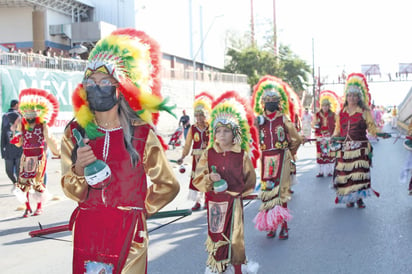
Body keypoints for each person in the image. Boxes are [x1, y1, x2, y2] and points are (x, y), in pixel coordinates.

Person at [60, 28, 180, 274]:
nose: (97, 87)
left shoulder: (142, 133)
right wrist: (79, 169)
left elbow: (168, 184)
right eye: (91, 82)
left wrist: (140, 210)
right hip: (89, 230)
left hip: (129, 231)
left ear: (122, 86)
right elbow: (71, 189)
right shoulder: (74, 132)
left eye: (105, 82)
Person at [193, 91, 259, 274]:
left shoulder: (241, 155)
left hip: (234, 203)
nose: (222, 135)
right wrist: (208, 179)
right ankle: (219, 267)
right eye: (218, 130)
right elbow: (198, 179)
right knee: (217, 236)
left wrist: (239, 192)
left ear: (235, 133)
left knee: (235, 237)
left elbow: (250, 178)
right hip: (214, 202)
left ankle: (237, 268)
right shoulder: (208, 154)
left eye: (227, 130)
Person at [251, 75, 302, 239]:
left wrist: (289, 151)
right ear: (263, 103)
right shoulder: (259, 121)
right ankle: (271, 225)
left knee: (281, 193)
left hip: (282, 159)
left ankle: (284, 226)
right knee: (267, 192)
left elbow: (297, 138)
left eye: (273, 101)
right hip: (266, 161)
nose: (270, 103)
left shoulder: (283, 119)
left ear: (279, 103)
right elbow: (251, 138)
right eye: (267, 100)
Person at [332, 73, 383, 208]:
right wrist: (333, 138)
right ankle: (349, 198)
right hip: (345, 149)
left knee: (359, 174)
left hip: (360, 148)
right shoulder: (341, 113)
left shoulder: (364, 112)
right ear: (346, 97)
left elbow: (372, 127)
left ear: (359, 98)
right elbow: (337, 130)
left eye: (355, 96)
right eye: (350, 95)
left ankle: (359, 198)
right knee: (347, 174)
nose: (352, 98)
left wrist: (379, 133)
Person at [11, 89, 60, 217]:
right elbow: (20, 141)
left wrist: (57, 151)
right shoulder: (22, 124)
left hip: (39, 155)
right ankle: (27, 208)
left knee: (37, 182)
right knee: (23, 182)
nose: (29, 116)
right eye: (27, 113)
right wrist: (16, 140)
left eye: (32, 112)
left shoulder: (42, 124)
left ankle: (39, 207)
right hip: (26, 156)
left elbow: (49, 138)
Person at [177, 92, 213, 211]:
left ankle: (208, 200)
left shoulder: (210, 128)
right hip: (196, 159)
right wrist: (182, 157)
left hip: (208, 158)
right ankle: (198, 201)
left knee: (207, 178)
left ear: (205, 115)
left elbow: (215, 141)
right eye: (197, 115)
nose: (199, 117)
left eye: (201, 115)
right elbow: (187, 145)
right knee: (197, 179)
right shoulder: (192, 128)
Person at [312, 95, 337, 177]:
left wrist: (334, 134)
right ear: (321, 106)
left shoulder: (333, 115)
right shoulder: (317, 115)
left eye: (326, 106)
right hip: (320, 137)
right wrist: (315, 125)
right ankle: (320, 172)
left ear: (329, 106)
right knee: (321, 154)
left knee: (330, 154)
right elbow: (313, 125)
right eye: (323, 105)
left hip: (330, 137)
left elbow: (337, 125)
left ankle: (330, 171)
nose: (325, 107)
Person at [1, 99, 23, 191]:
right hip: (12, 148)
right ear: (17, 105)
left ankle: (19, 186)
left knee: (13, 170)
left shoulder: (19, 116)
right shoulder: (7, 115)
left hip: (17, 147)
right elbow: (4, 132)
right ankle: (16, 183)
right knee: (12, 170)